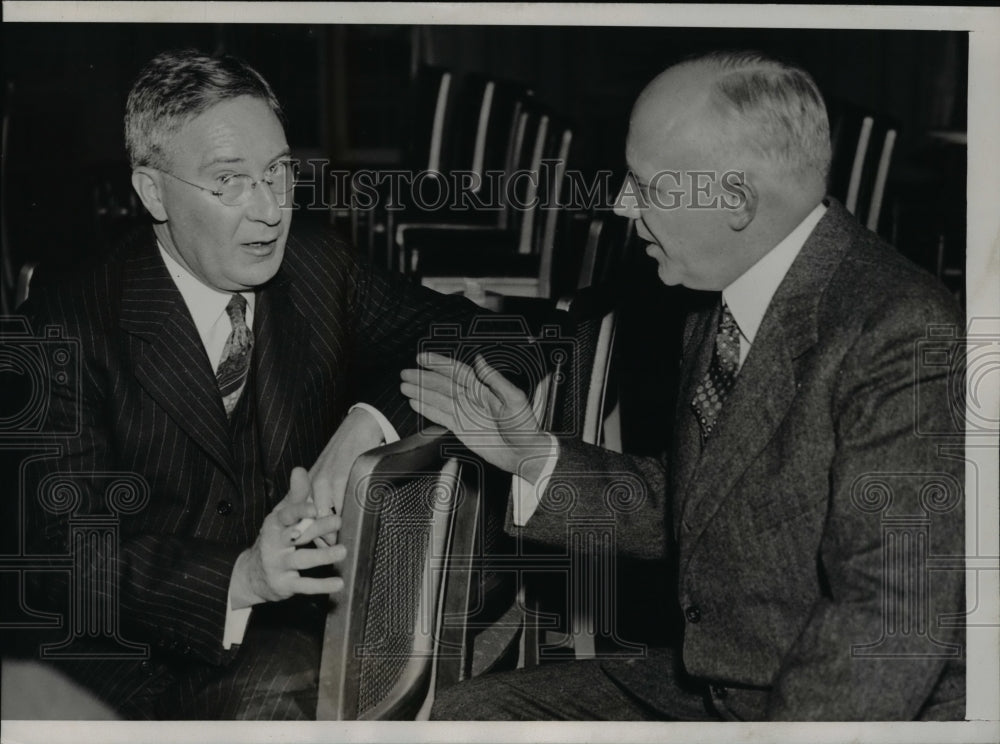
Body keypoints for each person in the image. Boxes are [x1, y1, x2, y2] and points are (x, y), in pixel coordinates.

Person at [403, 50, 966, 720]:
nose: (619, 204)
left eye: (645, 184)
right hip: (730, 681)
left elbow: (890, 625)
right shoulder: (721, 297)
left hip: (838, 700)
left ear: (735, 201)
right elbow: (706, 501)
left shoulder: (900, 332)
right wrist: (533, 457)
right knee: (460, 718)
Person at [18, 49, 478, 720]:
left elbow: (483, 333)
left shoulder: (320, 270)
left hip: (294, 632)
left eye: (280, 172)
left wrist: (366, 426)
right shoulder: (62, 325)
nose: (269, 211)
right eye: (229, 182)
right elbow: (60, 553)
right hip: (130, 658)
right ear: (153, 193)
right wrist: (240, 577)